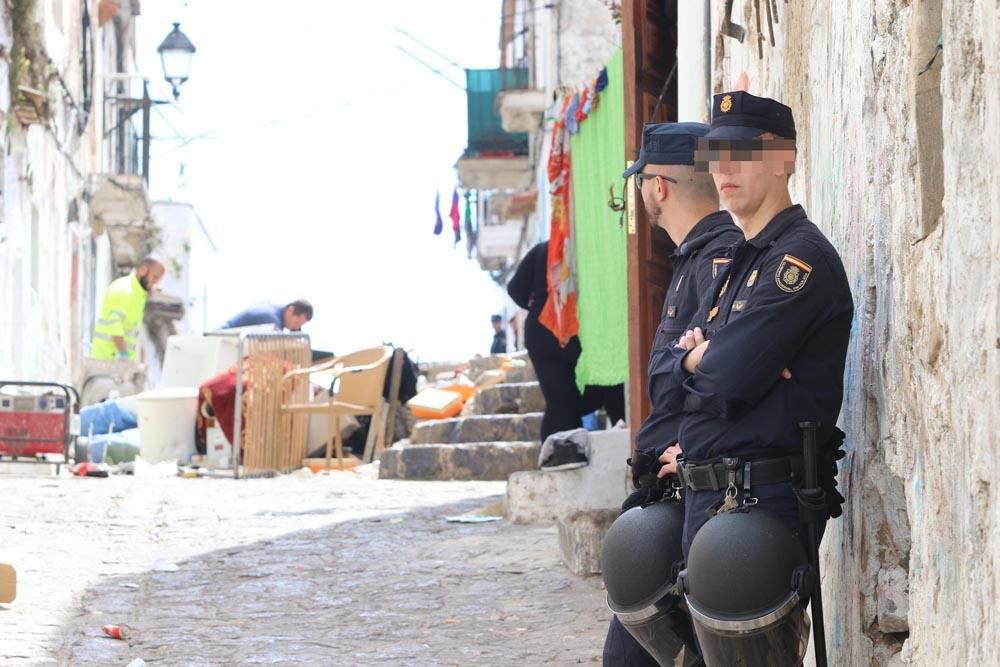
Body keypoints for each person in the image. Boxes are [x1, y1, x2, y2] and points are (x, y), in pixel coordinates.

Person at [660, 90, 853, 560]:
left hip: (760, 504)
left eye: (741, 153)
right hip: (710, 499)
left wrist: (711, 359)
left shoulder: (798, 260)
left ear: (783, 158)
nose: (723, 170)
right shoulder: (737, 262)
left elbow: (728, 381)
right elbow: (663, 385)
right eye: (715, 155)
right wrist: (695, 358)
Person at [603, 122, 743, 666]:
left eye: (640, 181)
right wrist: (681, 360)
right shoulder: (692, 260)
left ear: (657, 186)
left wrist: (689, 438)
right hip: (671, 497)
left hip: (695, 495)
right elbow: (670, 374)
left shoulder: (724, 260)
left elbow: (725, 377)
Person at [91, 255, 165, 360]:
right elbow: (114, 326)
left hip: (115, 363)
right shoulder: (124, 290)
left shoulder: (137, 294)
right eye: (155, 277)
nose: (156, 283)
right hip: (107, 360)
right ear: (143, 270)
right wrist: (124, 355)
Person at [221, 299, 313, 332]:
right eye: (297, 323)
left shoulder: (273, 309)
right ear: (290, 309)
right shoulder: (271, 319)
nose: (296, 328)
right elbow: (276, 348)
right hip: (220, 342)